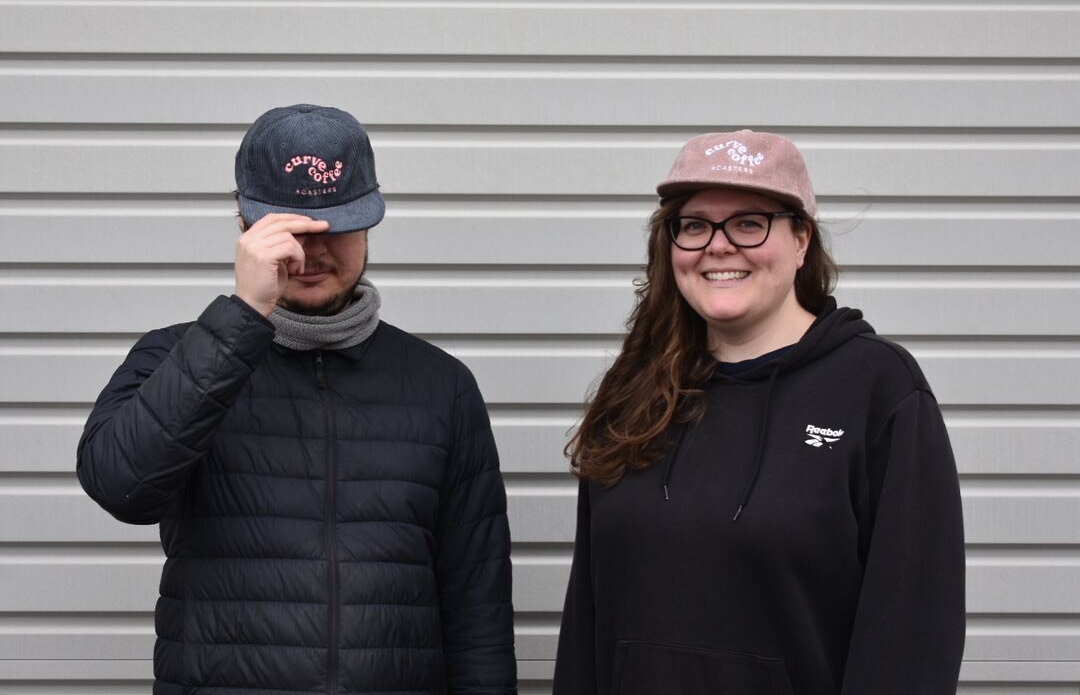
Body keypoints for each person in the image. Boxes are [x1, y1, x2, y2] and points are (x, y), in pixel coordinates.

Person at [77, 104, 517, 695]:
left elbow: (476, 607)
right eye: (290, 231)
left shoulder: (442, 385)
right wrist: (240, 319)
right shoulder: (177, 358)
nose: (311, 255)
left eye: (334, 228)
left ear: (369, 223)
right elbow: (119, 486)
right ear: (244, 227)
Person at [552, 130, 965, 694]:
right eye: (694, 225)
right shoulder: (636, 392)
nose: (718, 246)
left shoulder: (878, 390)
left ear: (801, 241)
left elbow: (912, 633)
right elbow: (587, 622)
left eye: (749, 222)